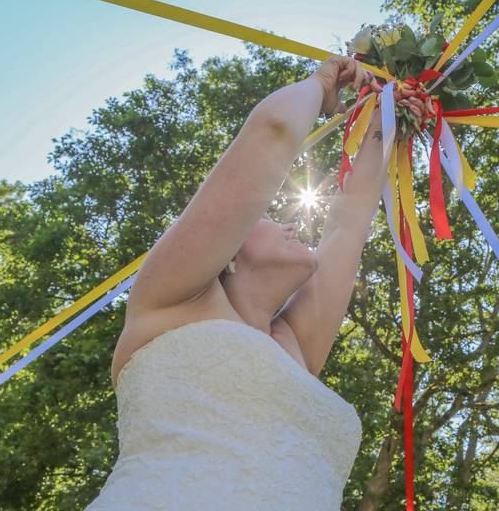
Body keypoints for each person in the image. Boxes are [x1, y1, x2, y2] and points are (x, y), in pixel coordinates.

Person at [85, 56, 427, 510]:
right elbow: (273, 132)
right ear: (225, 254)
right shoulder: (170, 300)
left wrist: (389, 123)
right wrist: (321, 84)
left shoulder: (294, 347)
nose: (292, 227)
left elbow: (350, 222)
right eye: (268, 218)